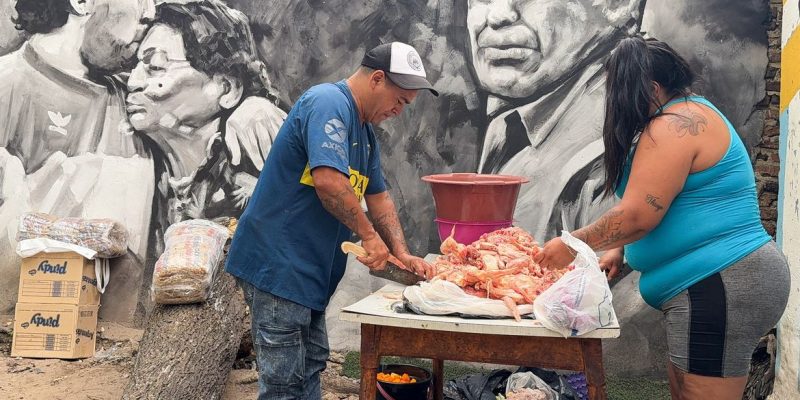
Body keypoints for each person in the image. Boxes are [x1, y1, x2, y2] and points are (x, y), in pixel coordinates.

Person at [534, 36, 790, 400]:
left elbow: (639, 214)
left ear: (652, 88)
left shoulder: (677, 123)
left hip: (723, 280)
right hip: (710, 285)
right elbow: (663, 201)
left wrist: (572, 244)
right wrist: (619, 250)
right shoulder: (681, 115)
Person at [225, 41, 438, 399]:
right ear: (378, 79)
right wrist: (370, 237)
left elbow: (379, 198)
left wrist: (402, 254)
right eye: (400, 100)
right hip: (278, 267)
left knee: (311, 364)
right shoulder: (328, 103)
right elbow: (328, 181)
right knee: (284, 381)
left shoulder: (365, 134)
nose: (399, 111)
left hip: (309, 276)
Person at [466, 0, 646, 242]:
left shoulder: (612, 156)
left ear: (618, 5)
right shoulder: (507, 125)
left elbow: (600, 277)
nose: (499, 16)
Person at [125, 0, 287, 226]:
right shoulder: (129, 152)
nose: (133, 82)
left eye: (156, 66)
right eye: (134, 66)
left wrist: (257, 105)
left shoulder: (254, 179)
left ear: (226, 88)